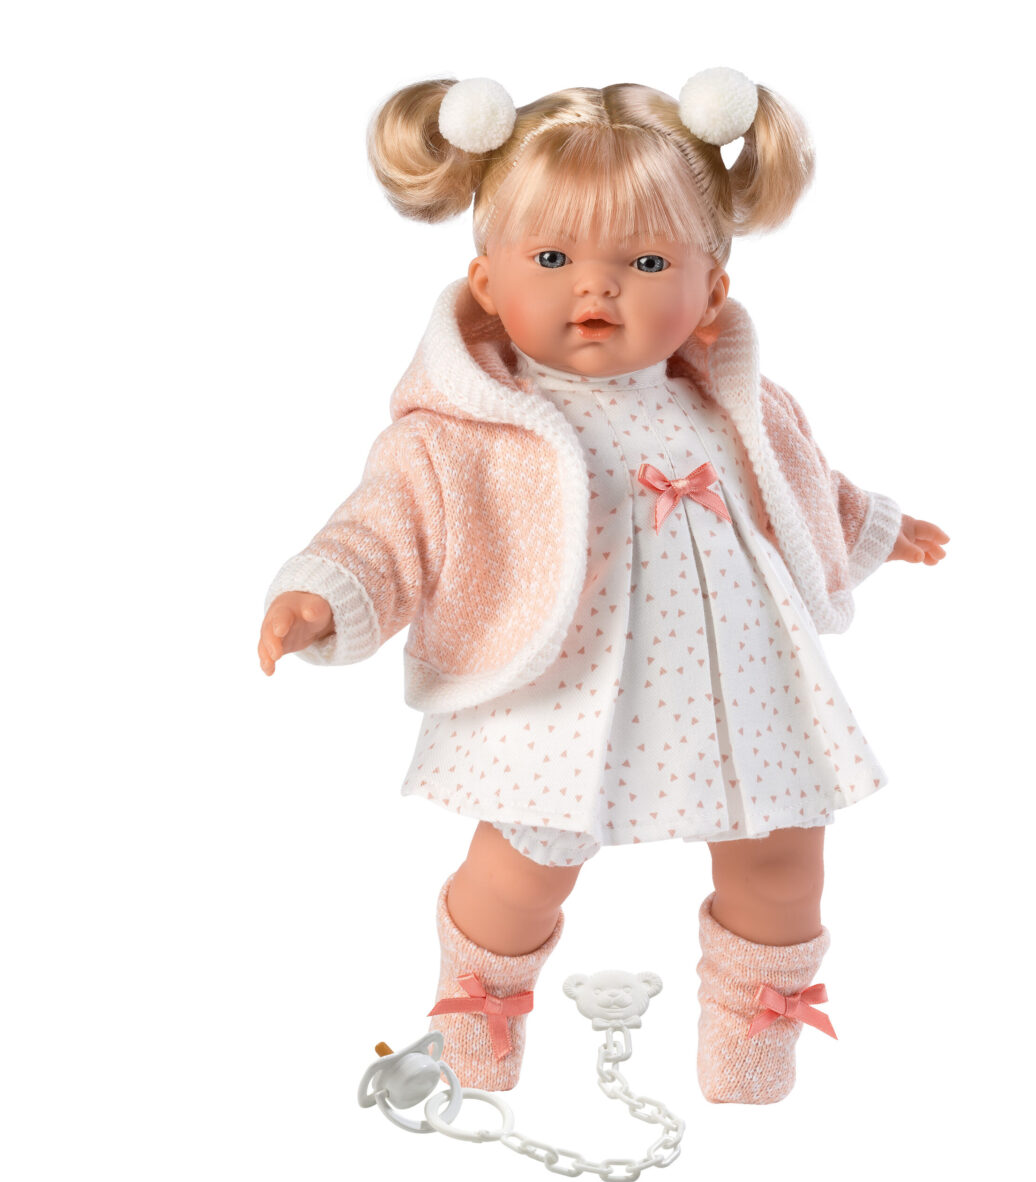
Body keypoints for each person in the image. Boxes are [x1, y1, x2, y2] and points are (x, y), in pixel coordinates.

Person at [257, 69, 949, 1104]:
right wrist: (327, 590)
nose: (598, 289)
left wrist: (872, 528)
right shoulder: (468, 431)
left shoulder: (734, 404)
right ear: (485, 280)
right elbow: (389, 524)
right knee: (522, 867)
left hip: (741, 688)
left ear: (711, 292)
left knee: (782, 856)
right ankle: (479, 1015)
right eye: (552, 259)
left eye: (648, 261)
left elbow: (798, 486)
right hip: (564, 696)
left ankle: (753, 1043)